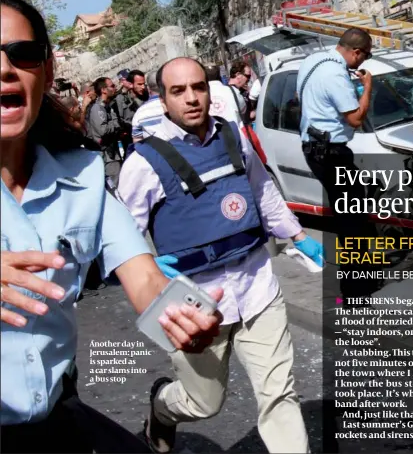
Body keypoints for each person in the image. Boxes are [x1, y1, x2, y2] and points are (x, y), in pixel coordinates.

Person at [0, 0, 222, 453]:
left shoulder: (82, 176)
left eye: (21, 54)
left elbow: (142, 274)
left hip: (55, 417)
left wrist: (178, 315)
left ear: (46, 70)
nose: (5, 68)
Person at [118, 57, 323, 454]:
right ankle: (162, 408)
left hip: (258, 287)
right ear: (162, 100)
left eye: (199, 87)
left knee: (279, 395)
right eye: (179, 91)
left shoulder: (234, 136)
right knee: (204, 402)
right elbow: (122, 233)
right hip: (195, 304)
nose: (192, 98)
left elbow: (261, 190)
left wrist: (296, 235)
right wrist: (144, 264)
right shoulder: (143, 163)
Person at [296, 27, 379, 302]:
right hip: (330, 153)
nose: (364, 62)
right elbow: (355, 118)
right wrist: (367, 87)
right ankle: (356, 291)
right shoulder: (335, 74)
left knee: (350, 218)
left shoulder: (313, 61)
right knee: (352, 222)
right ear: (356, 52)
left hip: (315, 148)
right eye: (365, 56)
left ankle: (362, 278)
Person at [88, 76, 125, 188]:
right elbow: (103, 130)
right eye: (112, 86)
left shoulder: (108, 106)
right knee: (116, 186)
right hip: (108, 156)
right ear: (104, 90)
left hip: (114, 152)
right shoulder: (97, 108)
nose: (115, 88)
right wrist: (116, 123)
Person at [131, 71, 164, 142]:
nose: (142, 87)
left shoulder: (139, 114)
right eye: (139, 84)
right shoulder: (176, 104)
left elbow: (137, 143)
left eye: (144, 84)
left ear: (148, 88)